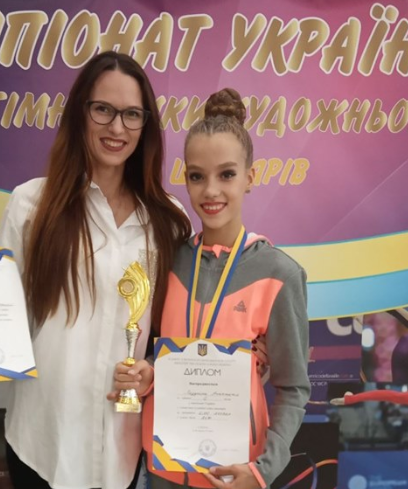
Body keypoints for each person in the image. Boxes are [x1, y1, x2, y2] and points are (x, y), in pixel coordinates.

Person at [0, 51, 192, 489]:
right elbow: (1, 316)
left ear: (146, 125)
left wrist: (152, 369)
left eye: (131, 114)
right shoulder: (31, 205)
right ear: (80, 112)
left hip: (123, 449)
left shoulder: (169, 220)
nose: (117, 127)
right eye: (103, 110)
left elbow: (176, 332)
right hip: (40, 442)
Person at [113, 88, 310, 488]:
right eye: (197, 176)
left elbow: (293, 389)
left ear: (250, 177)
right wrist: (149, 374)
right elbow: (160, 351)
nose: (210, 191)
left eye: (227, 174)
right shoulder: (165, 260)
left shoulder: (280, 273)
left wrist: (263, 470)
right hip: (164, 472)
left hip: (234, 477)